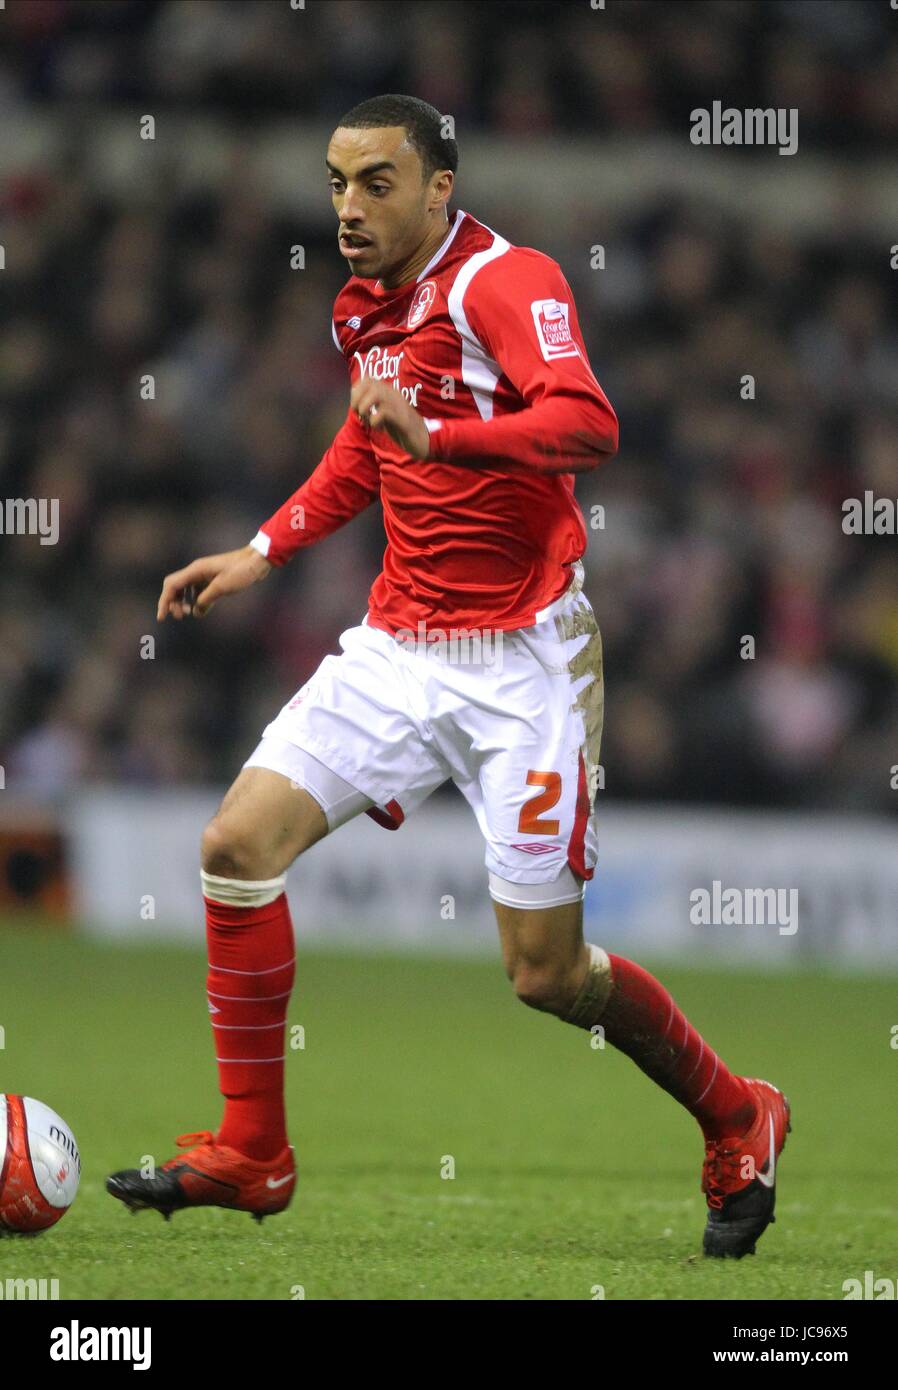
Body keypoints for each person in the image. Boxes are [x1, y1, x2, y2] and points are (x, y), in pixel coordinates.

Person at [107, 95, 789, 1258]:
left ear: (439, 186)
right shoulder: (364, 306)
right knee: (233, 849)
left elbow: (589, 421)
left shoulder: (504, 282)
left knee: (545, 973)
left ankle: (736, 1110)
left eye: (377, 182)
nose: (348, 208)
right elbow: (364, 444)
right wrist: (263, 549)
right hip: (396, 645)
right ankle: (252, 1150)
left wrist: (445, 440)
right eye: (333, 182)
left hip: (522, 663)